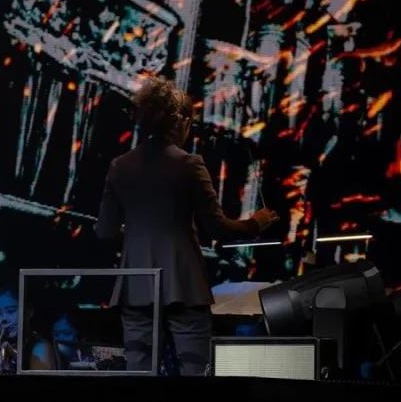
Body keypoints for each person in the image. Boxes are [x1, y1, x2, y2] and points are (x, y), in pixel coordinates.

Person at [95, 76, 279, 376]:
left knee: (139, 371)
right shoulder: (189, 164)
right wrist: (255, 224)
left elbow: (104, 231)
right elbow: (217, 227)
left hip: (136, 284)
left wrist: (138, 236)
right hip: (184, 282)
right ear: (179, 121)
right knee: (195, 370)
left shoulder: (120, 166)